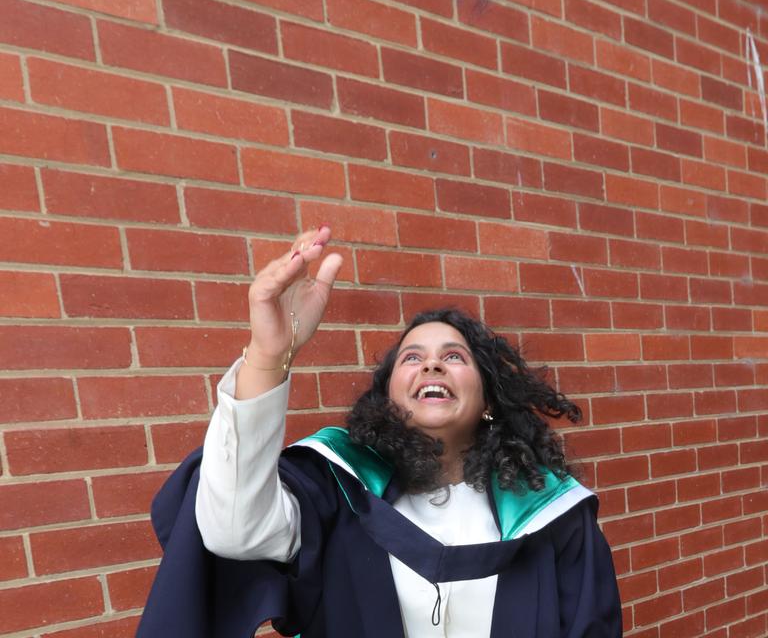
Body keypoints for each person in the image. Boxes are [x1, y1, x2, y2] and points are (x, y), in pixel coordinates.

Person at [138, 226, 623, 638]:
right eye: (412, 357)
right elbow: (234, 529)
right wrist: (269, 355)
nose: (432, 362)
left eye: (454, 356)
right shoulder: (337, 492)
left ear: (489, 401)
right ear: (389, 398)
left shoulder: (554, 517)